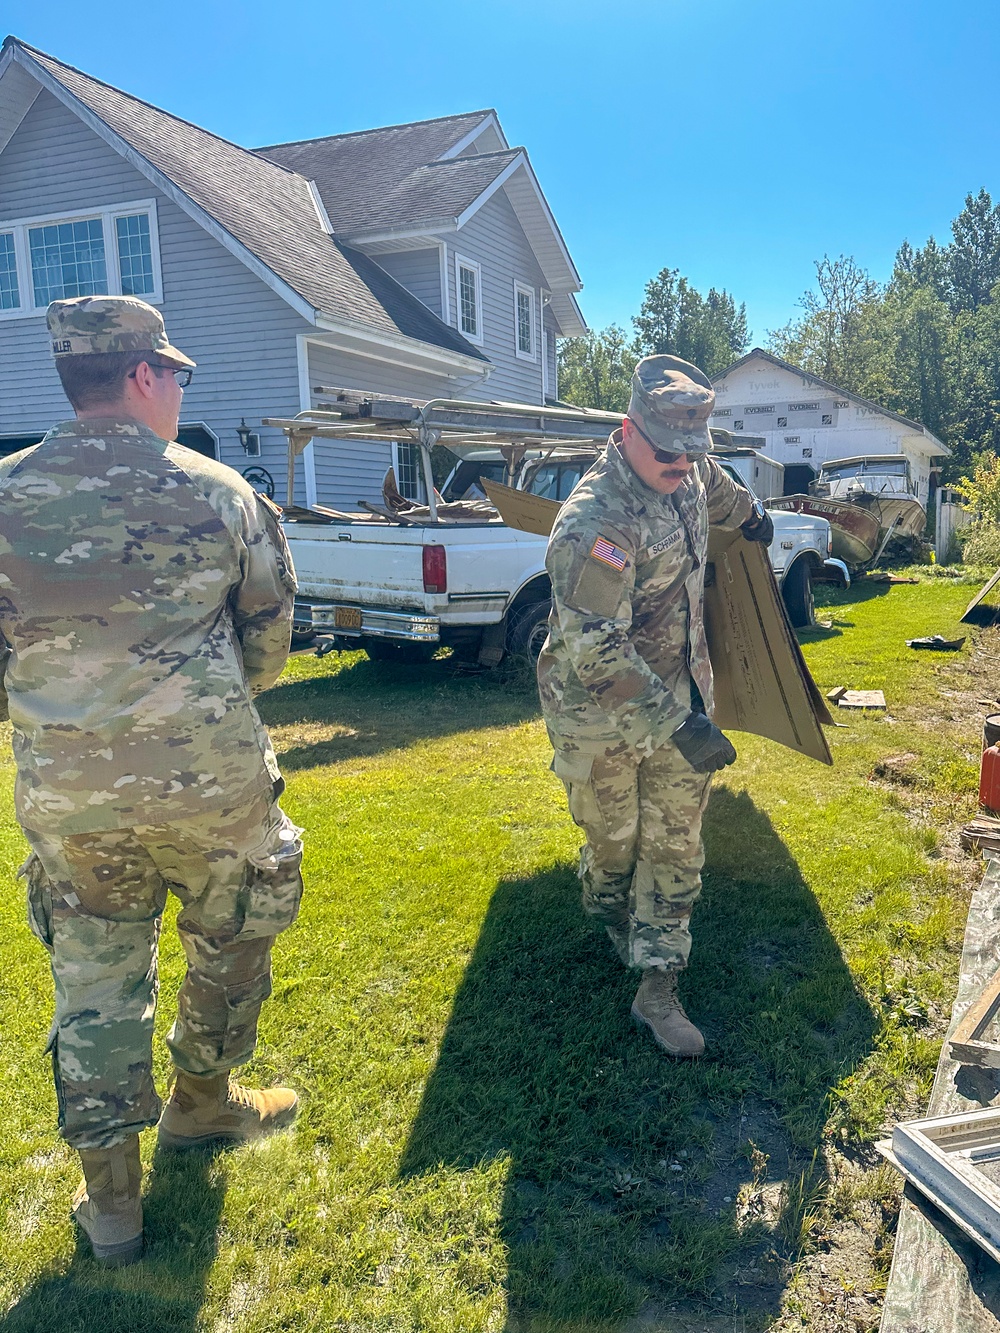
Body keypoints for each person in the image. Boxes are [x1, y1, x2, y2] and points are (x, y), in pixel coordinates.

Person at [0, 296, 303, 1266]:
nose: (177, 389)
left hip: (69, 796)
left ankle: (114, 1208)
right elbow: (268, 645)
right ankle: (202, 1100)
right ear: (140, 376)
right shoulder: (219, 493)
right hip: (208, 785)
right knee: (233, 937)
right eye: (172, 372)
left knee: (93, 983)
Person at [537, 354, 774, 1058]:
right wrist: (681, 724)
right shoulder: (595, 524)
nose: (682, 466)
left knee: (674, 842)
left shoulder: (689, 466)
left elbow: (719, 489)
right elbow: (597, 652)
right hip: (599, 710)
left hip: (680, 689)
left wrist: (755, 514)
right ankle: (610, 907)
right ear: (626, 430)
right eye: (668, 453)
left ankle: (659, 987)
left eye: (692, 452)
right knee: (614, 849)